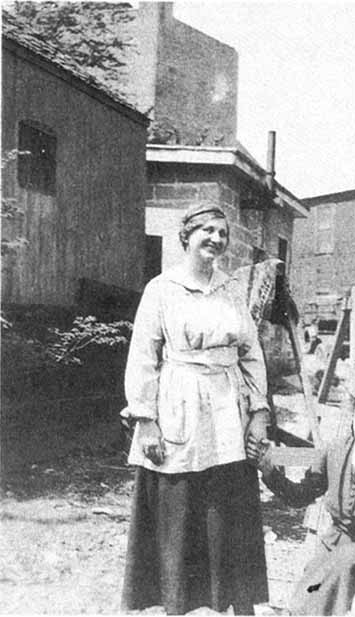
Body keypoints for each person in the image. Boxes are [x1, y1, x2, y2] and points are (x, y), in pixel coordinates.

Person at [121, 203, 272, 615]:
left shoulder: (231, 289)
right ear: (186, 235)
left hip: (227, 406)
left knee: (226, 502)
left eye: (222, 233)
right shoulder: (161, 288)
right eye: (206, 230)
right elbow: (143, 358)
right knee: (180, 501)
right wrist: (146, 421)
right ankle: (177, 603)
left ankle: (226, 600)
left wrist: (258, 412)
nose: (216, 239)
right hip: (179, 403)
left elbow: (251, 354)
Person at [247, 375, 355, 616]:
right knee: (310, 597)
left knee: (345, 563)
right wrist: (268, 470)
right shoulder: (336, 451)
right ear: (354, 409)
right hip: (334, 553)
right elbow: (299, 497)